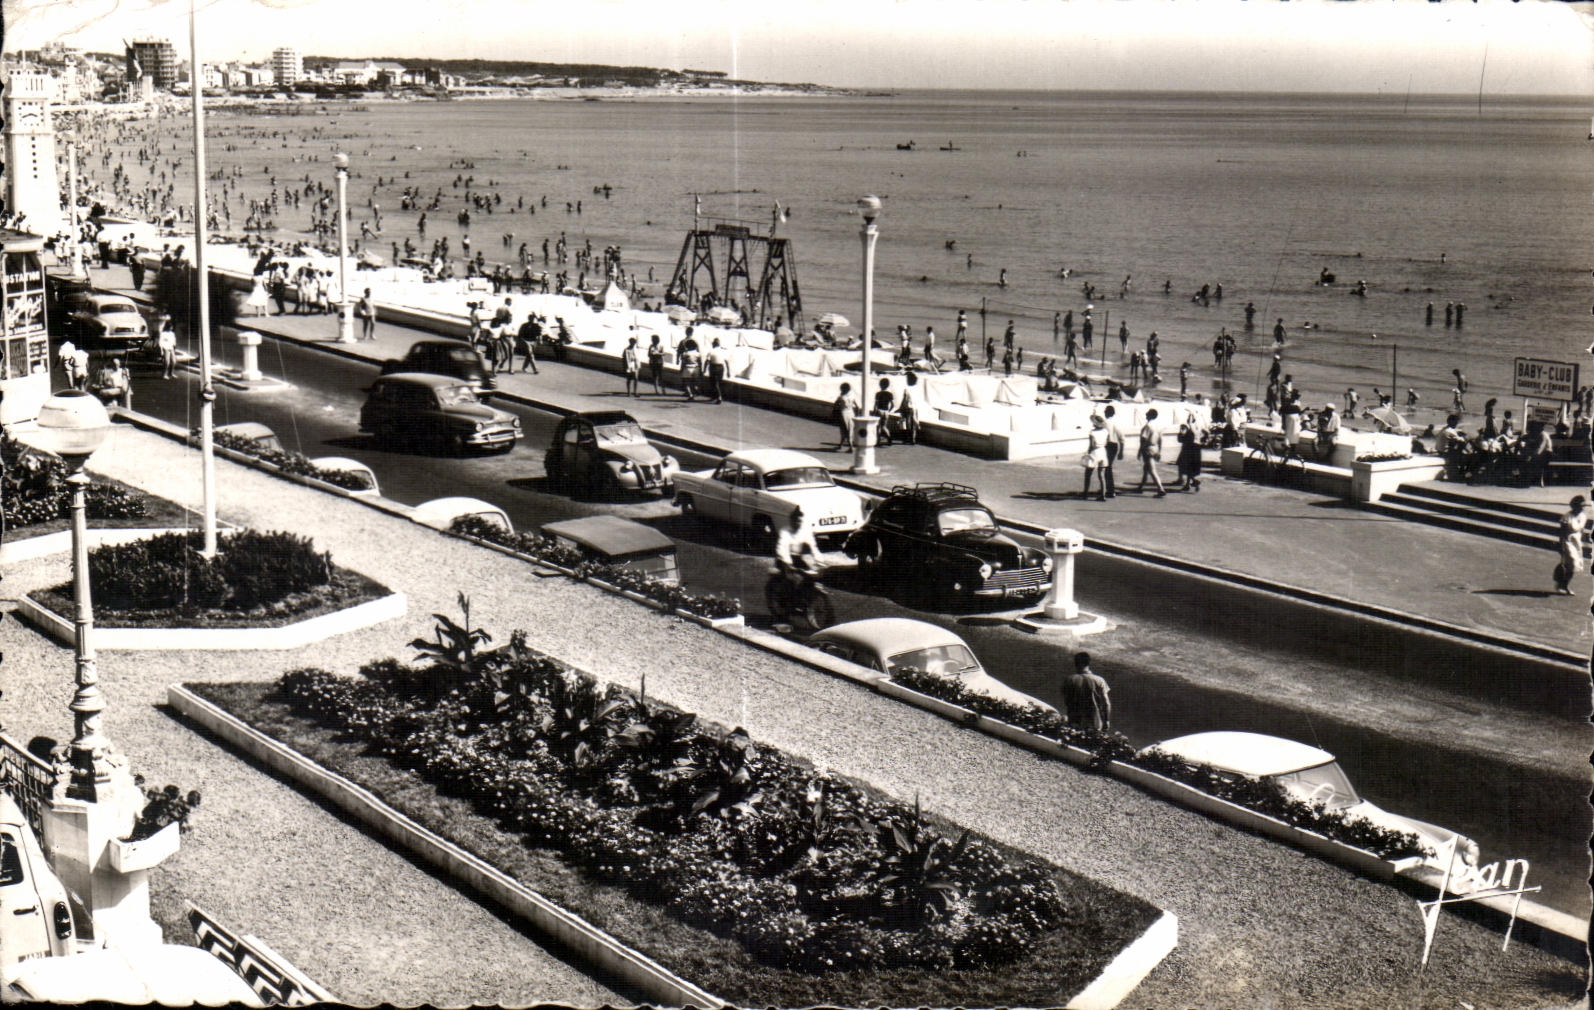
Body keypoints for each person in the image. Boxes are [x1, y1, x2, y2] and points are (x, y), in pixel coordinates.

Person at [1061, 651, 1111, 731]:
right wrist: (1106, 721)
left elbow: (1067, 700)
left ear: (1076, 663)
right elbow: (1106, 703)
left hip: (1075, 721)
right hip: (1095, 723)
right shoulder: (1099, 680)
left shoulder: (1069, 680)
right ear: (1088, 663)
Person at [1553, 496, 1590, 595]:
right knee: (1573, 562)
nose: (1582, 508)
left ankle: (1564, 585)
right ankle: (1562, 584)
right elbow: (1562, 533)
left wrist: (1584, 539)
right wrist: (1561, 545)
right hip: (1567, 541)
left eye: (1584, 506)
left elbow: (1581, 529)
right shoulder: (1567, 517)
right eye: (1581, 506)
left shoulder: (1583, 516)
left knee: (1574, 565)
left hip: (1577, 542)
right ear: (1575, 506)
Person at [1136, 408, 1167, 496]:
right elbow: (1161, 440)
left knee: (1152, 469)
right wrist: (1159, 451)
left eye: (1147, 414)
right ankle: (1141, 486)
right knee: (1146, 468)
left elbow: (1143, 439)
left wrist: (1140, 451)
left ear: (1149, 415)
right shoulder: (1158, 426)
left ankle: (1160, 488)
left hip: (1148, 448)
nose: (1146, 415)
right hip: (1155, 447)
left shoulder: (1148, 426)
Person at [1081, 414, 1109, 501]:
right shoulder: (1105, 431)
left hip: (1095, 452)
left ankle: (1085, 493)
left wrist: (1087, 453)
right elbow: (1107, 442)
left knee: (1088, 474)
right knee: (1101, 475)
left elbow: (1092, 445)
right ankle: (1103, 494)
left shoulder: (1092, 433)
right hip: (1103, 451)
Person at [1102, 404, 1126, 498]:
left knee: (1106, 468)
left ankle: (1110, 490)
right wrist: (1121, 451)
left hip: (1107, 446)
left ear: (1107, 413)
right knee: (1108, 467)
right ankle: (1109, 489)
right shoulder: (1116, 423)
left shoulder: (1104, 423)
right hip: (1114, 446)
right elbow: (1122, 438)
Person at [1174, 420, 1203, 491]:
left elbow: (1181, 439)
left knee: (1186, 467)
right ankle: (1188, 484)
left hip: (1189, 450)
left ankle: (1193, 481)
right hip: (1195, 449)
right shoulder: (1198, 425)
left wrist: (1181, 433)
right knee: (1189, 468)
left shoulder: (1188, 427)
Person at [833, 382, 858, 451]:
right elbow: (856, 406)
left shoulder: (841, 397)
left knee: (844, 430)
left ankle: (850, 447)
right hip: (851, 413)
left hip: (843, 413)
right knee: (850, 429)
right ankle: (841, 445)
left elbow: (835, 406)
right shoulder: (852, 397)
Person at [897, 372, 920, 445]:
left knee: (908, 424)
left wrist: (900, 408)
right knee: (914, 423)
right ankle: (913, 438)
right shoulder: (917, 388)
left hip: (908, 408)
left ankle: (907, 439)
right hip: (915, 407)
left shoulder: (906, 389)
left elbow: (904, 400)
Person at [706, 337, 728, 404]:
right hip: (721, 367)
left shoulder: (711, 351)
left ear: (714, 344)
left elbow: (707, 361)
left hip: (713, 367)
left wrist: (704, 369)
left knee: (714, 383)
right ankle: (714, 396)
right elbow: (726, 361)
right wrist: (728, 371)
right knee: (718, 382)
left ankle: (719, 397)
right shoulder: (722, 351)